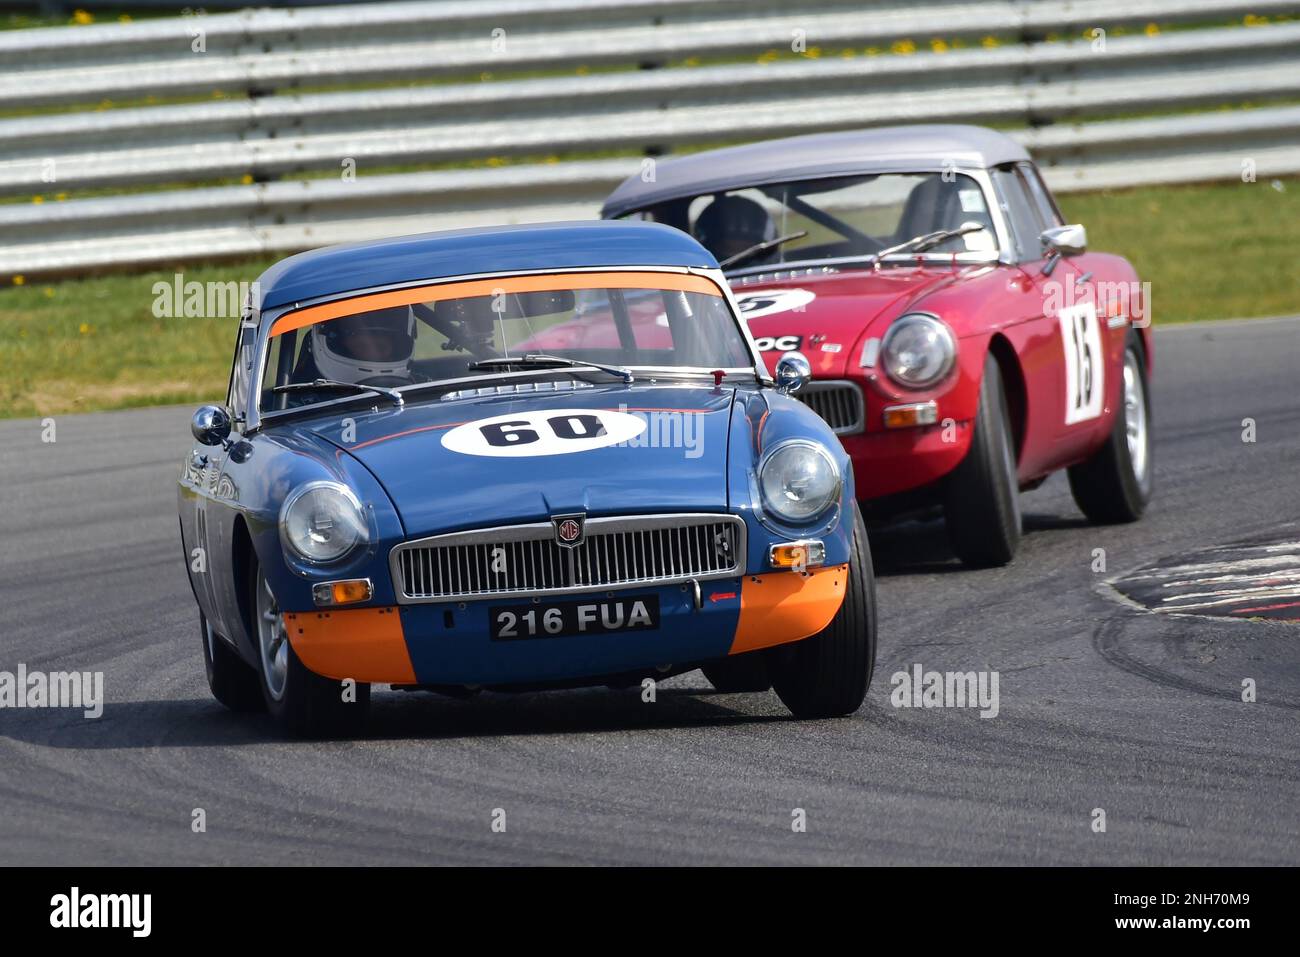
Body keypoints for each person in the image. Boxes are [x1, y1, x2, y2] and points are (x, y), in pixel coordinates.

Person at [294, 305, 417, 386]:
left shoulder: (421, 389)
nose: (372, 351)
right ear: (338, 342)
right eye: (362, 346)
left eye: (380, 346)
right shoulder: (294, 403)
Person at [693, 194, 776, 264]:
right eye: (735, 237)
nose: (740, 243)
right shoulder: (703, 272)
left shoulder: (773, 264)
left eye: (747, 238)